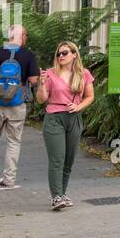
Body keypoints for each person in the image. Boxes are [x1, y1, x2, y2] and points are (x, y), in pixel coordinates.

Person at [0, 24, 41, 189]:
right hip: (17, 104)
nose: (26, 38)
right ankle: (9, 179)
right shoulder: (28, 55)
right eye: (26, 35)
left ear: (9, 36)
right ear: (22, 36)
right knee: (14, 141)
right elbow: (34, 81)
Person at [36, 41, 94, 210]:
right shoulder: (50, 74)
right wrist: (41, 84)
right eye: (58, 54)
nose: (61, 56)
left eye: (64, 53)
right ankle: (56, 197)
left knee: (68, 160)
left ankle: (62, 193)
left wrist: (78, 107)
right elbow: (41, 99)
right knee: (57, 159)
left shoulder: (84, 74)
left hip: (74, 118)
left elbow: (90, 96)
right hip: (55, 118)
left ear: (74, 54)